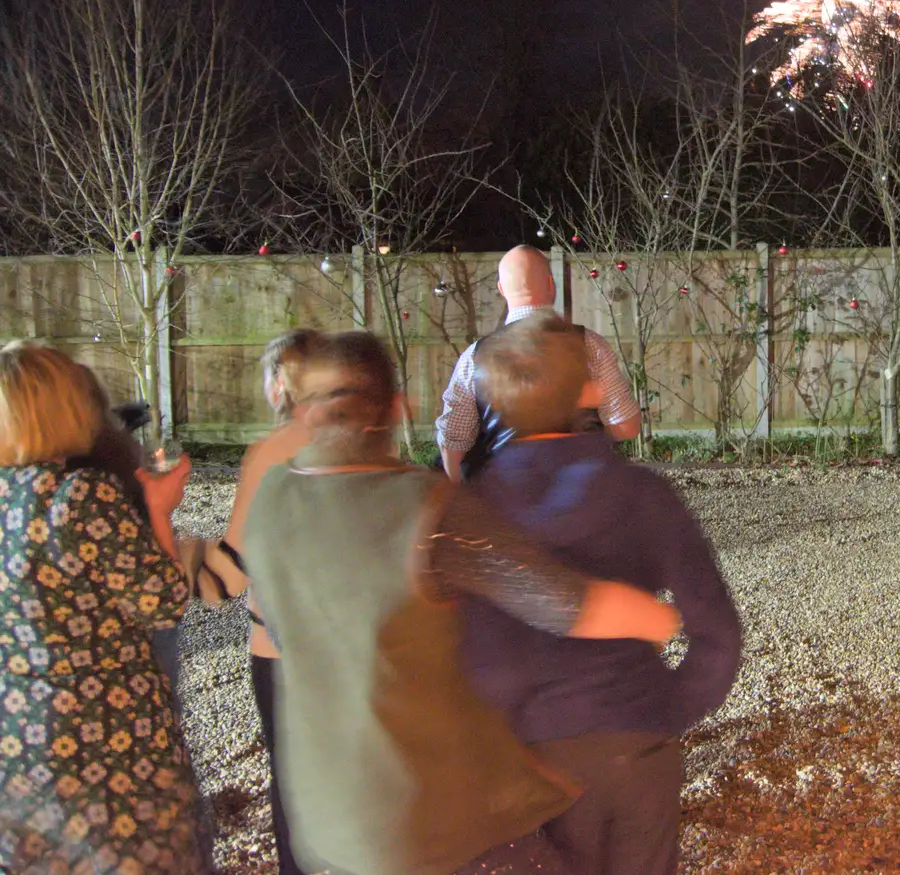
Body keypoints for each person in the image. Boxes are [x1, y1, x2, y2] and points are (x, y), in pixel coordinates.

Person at [243, 331, 682, 875]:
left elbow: (281, 628)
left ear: (305, 409)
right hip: (428, 825)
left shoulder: (271, 498)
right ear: (398, 407)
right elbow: (560, 601)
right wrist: (652, 616)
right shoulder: (424, 510)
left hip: (324, 822)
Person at [461, 316, 742, 875]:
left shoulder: (466, 512)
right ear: (588, 391)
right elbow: (717, 632)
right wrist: (668, 709)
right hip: (633, 736)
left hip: (523, 756)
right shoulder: (641, 495)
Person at [0, 341, 206, 872]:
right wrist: (160, 510)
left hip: (17, 741)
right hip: (105, 737)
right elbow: (162, 603)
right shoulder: (79, 496)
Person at [196, 329, 322, 875]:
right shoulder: (365, 440)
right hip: (354, 644)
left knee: (293, 789)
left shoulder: (272, 452)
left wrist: (171, 542)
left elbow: (229, 573)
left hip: (283, 649)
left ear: (279, 385)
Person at [436, 245, 641, 482]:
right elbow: (627, 426)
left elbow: (452, 441)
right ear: (551, 284)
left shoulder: (474, 357)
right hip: (583, 490)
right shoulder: (590, 345)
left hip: (501, 498)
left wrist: (461, 497)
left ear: (501, 289)